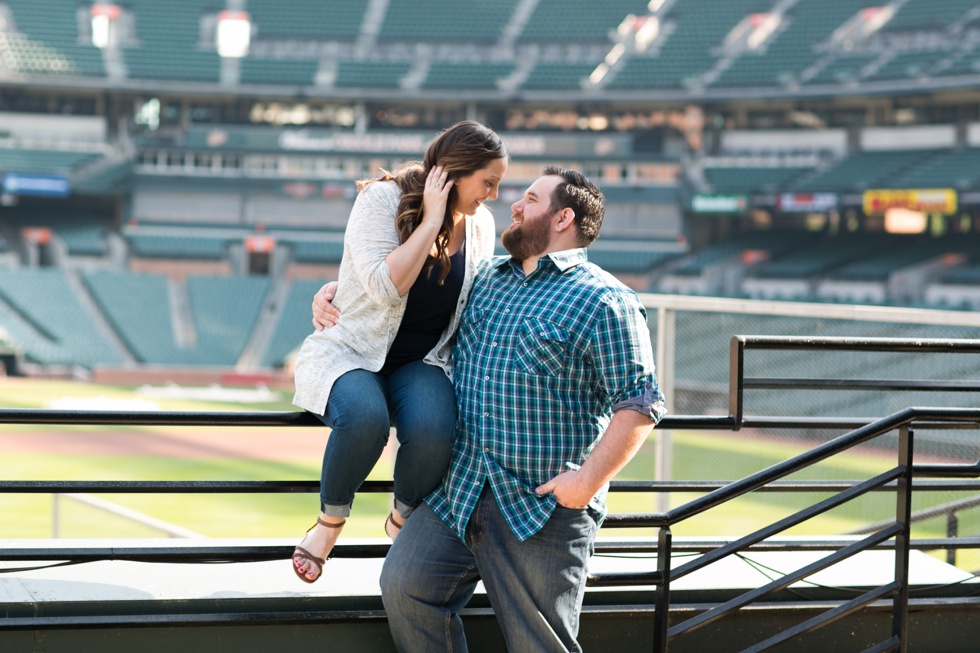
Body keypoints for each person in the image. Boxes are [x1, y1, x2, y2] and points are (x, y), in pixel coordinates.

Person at [378, 167, 666, 652]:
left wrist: (586, 483)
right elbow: (400, 308)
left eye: (530, 199)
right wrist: (333, 298)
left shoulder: (605, 299)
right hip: (459, 490)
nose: (513, 205)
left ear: (563, 218)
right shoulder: (485, 279)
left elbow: (640, 403)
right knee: (406, 587)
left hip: (541, 506)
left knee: (539, 645)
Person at [289, 121, 508, 584]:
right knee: (365, 419)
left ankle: (402, 520)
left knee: (435, 428)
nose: (492, 194)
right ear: (453, 172)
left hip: (421, 360)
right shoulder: (381, 200)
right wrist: (432, 221)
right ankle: (329, 524)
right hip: (351, 351)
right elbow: (387, 287)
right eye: (487, 181)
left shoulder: (483, 225)